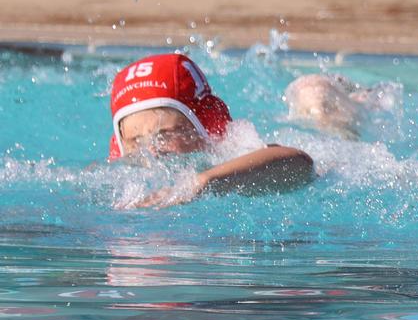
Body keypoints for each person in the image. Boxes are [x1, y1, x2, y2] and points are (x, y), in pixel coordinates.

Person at [108, 52, 314, 205]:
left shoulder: (228, 150)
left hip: (324, 147)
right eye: (137, 140)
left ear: (201, 126)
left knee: (313, 96)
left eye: (165, 135)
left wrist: (203, 182)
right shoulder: (125, 177)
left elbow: (300, 165)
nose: (153, 151)